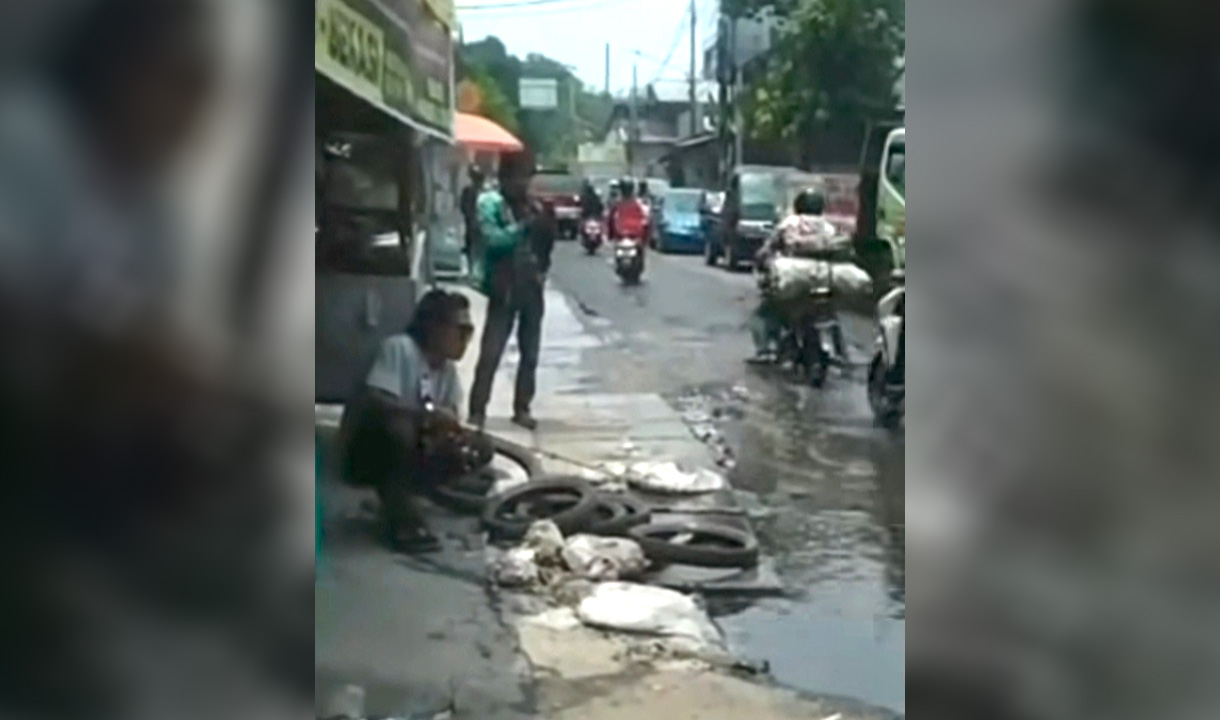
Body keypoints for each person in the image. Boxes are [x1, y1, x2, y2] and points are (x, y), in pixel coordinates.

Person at [346, 290, 475, 552]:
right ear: (434, 327)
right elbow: (375, 402)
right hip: (370, 446)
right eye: (459, 330)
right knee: (399, 430)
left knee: (474, 448)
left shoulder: (447, 372)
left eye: (468, 331)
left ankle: (409, 499)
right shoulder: (400, 349)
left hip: (413, 446)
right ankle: (402, 521)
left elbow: (450, 413)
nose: (465, 339)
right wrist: (425, 416)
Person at [467, 151, 555, 430]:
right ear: (505, 178)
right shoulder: (490, 204)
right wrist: (521, 228)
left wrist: (541, 269)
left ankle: (522, 407)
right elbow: (493, 239)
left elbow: (546, 244)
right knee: (491, 351)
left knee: (530, 353)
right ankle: (477, 410)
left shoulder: (534, 207)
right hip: (503, 287)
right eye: (517, 177)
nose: (523, 184)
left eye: (526, 177)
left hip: (531, 287)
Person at [749, 188, 838, 363]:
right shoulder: (829, 228)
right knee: (832, 316)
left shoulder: (789, 224)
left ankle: (764, 350)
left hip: (792, 283)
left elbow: (767, 249)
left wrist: (760, 261)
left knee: (762, 314)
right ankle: (840, 352)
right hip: (822, 282)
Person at [459, 166, 485, 264]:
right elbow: (463, 206)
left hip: (479, 223)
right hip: (472, 223)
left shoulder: (483, 192)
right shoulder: (468, 191)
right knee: (471, 246)